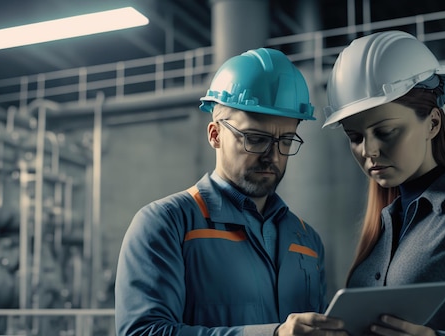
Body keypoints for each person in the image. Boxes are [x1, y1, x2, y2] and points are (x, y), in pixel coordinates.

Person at [115, 48, 347, 336]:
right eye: (255, 139)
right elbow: (143, 332)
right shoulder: (166, 224)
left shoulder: (308, 239)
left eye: (285, 140)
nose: (272, 155)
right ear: (215, 134)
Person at [322, 30, 445, 335]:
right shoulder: (381, 229)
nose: (369, 151)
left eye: (386, 131)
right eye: (355, 137)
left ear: (432, 123)